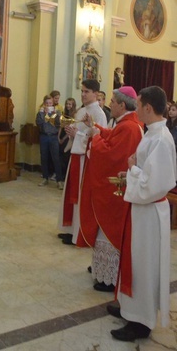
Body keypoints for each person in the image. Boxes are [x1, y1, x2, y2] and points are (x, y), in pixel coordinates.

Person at [108, 86, 176, 342]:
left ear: (148, 108)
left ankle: (142, 323)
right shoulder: (151, 134)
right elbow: (145, 172)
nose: (135, 109)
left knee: (145, 266)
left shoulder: (161, 139)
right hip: (142, 210)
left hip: (150, 213)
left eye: (138, 105)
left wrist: (133, 170)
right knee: (135, 261)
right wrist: (131, 174)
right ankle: (130, 307)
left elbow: (155, 184)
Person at [77, 87, 143, 293]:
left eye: (113, 101)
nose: (110, 104)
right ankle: (103, 270)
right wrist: (96, 128)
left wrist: (95, 139)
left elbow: (113, 155)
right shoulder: (126, 124)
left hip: (117, 189)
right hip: (119, 186)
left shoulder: (130, 127)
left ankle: (110, 278)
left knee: (109, 230)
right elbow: (112, 137)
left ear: (122, 105)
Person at [57, 79, 107, 245]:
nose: (83, 94)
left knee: (80, 196)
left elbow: (98, 138)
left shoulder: (99, 113)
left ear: (95, 93)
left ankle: (80, 233)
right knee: (71, 193)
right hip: (75, 155)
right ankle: (71, 230)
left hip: (86, 159)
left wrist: (76, 133)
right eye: (82, 91)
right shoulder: (81, 111)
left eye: (86, 91)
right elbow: (79, 133)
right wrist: (71, 133)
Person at [36, 95, 64, 189]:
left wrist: (56, 115)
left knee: (55, 158)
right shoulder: (40, 113)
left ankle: (59, 180)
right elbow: (38, 123)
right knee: (44, 157)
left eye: (50, 103)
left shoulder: (58, 112)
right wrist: (45, 115)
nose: (49, 105)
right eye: (47, 103)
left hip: (53, 137)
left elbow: (59, 124)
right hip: (44, 136)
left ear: (53, 104)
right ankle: (45, 178)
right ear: (44, 104)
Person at [59, 97, 77, 182]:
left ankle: (65, 176)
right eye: (67, 104)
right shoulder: (64, 114)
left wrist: (63, 138)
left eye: (70, 104)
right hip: (62, 134)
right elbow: (61, 126)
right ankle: (60, 174)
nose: (68, 105)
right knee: (61, 156)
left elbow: (71, 129)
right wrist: (58, 136)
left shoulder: (74, 115)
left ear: (73, 105)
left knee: (66, 156)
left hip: (68, 136)